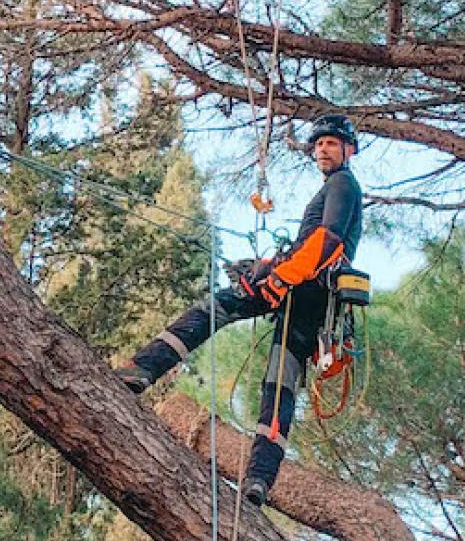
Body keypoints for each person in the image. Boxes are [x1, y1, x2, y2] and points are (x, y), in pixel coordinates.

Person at [117, 113, 363, 507]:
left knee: (214, 308)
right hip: (311, 302)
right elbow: (312, 247)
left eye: (331, 143)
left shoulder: (342, 184)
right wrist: (266, 266)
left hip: (301, 288)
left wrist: (280, 277)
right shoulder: (339, 185)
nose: (322, 149)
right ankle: (259, 480)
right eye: (318, 144)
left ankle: (142, 368)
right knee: (279, 385)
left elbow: (327, 241)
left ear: (349, 149)